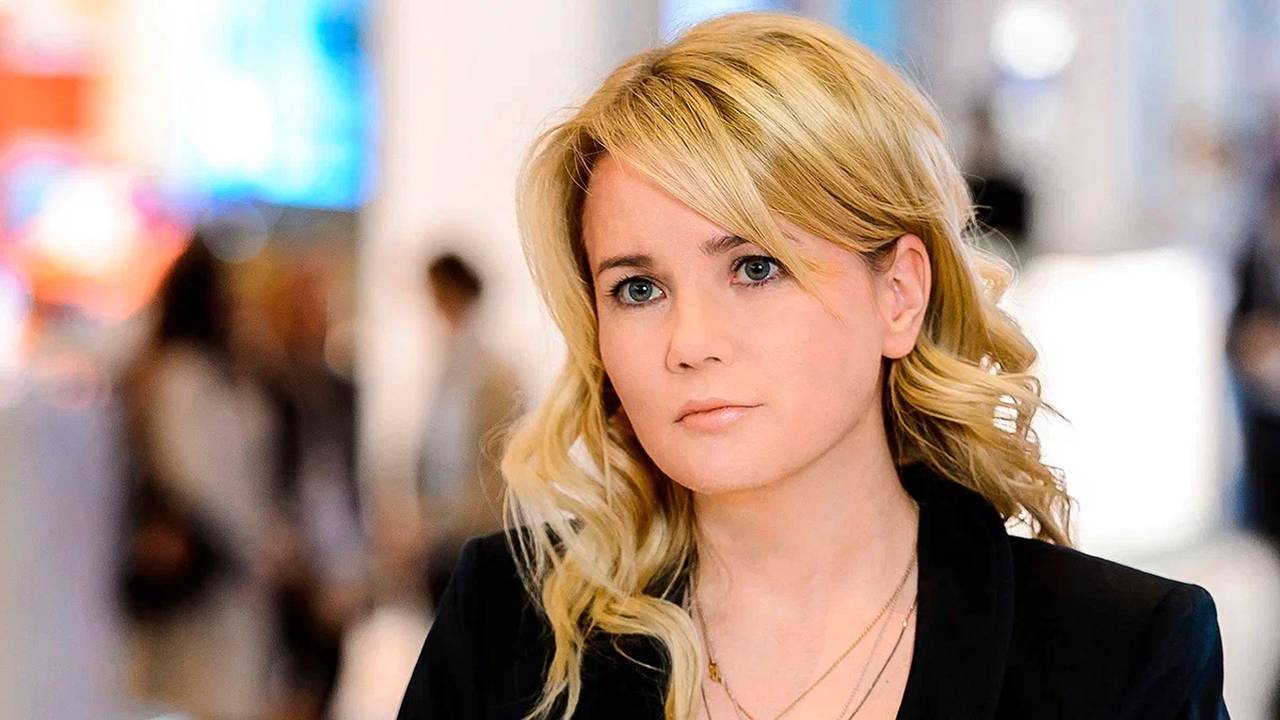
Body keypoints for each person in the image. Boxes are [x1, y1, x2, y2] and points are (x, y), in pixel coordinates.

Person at [398, 13, 1228, 720]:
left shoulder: (1118, 654)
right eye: (638, 288)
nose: (690, 341)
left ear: (899, 294)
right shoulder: (509, 623)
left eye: (755, 268)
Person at [416, 251, 524, 608]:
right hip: (442, 540)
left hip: (475, 537)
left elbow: (500, 470)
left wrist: (444, 522)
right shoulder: (445, 368)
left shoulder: (495, 375)